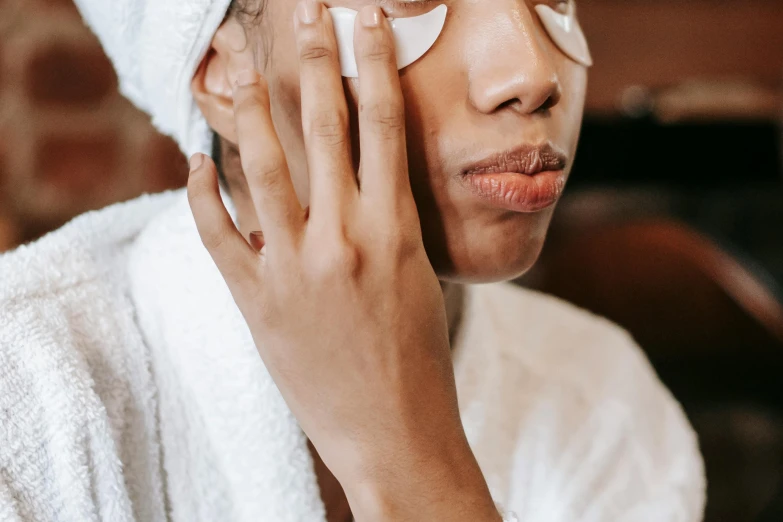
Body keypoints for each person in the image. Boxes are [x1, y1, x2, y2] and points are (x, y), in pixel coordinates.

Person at [0, 0, 705, 520]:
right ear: (221, 72)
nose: (530, 73)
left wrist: (407, 460)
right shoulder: (29, 394)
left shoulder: (601, 397)